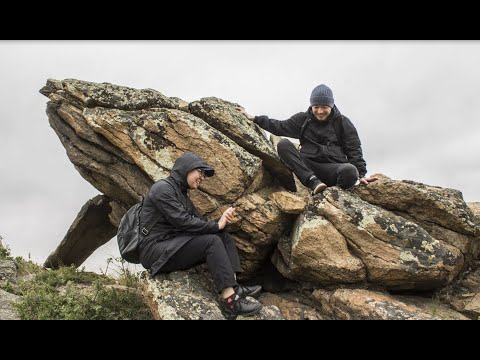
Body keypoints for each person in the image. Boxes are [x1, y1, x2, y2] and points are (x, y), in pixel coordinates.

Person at [138, 152, 262, 317]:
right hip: (153, 250)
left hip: (171, 245)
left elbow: (200, 222)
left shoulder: (182, 196)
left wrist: (221, 220)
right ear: (186, 169)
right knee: (211, 241)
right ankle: (231, 302)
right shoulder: (162, 189)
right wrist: (216, 225)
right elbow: (182, 222)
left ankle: (234, 287)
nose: (203, 177)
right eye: (200, 172)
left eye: (204, 174)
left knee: (222, 237)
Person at [238, 84, 378, 195]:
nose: (320, 111)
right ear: (311, 105)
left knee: (350, 171)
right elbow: (279, 126)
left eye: (324, 107)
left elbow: (354, 149)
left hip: (333, 168)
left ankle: (333, 192)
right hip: (308, 166)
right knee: (283, 144)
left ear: (331, 106)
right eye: (316, 107)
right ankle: (313, 183)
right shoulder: (302, 119)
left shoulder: (342, 123)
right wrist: (254, 118)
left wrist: (361, 175)